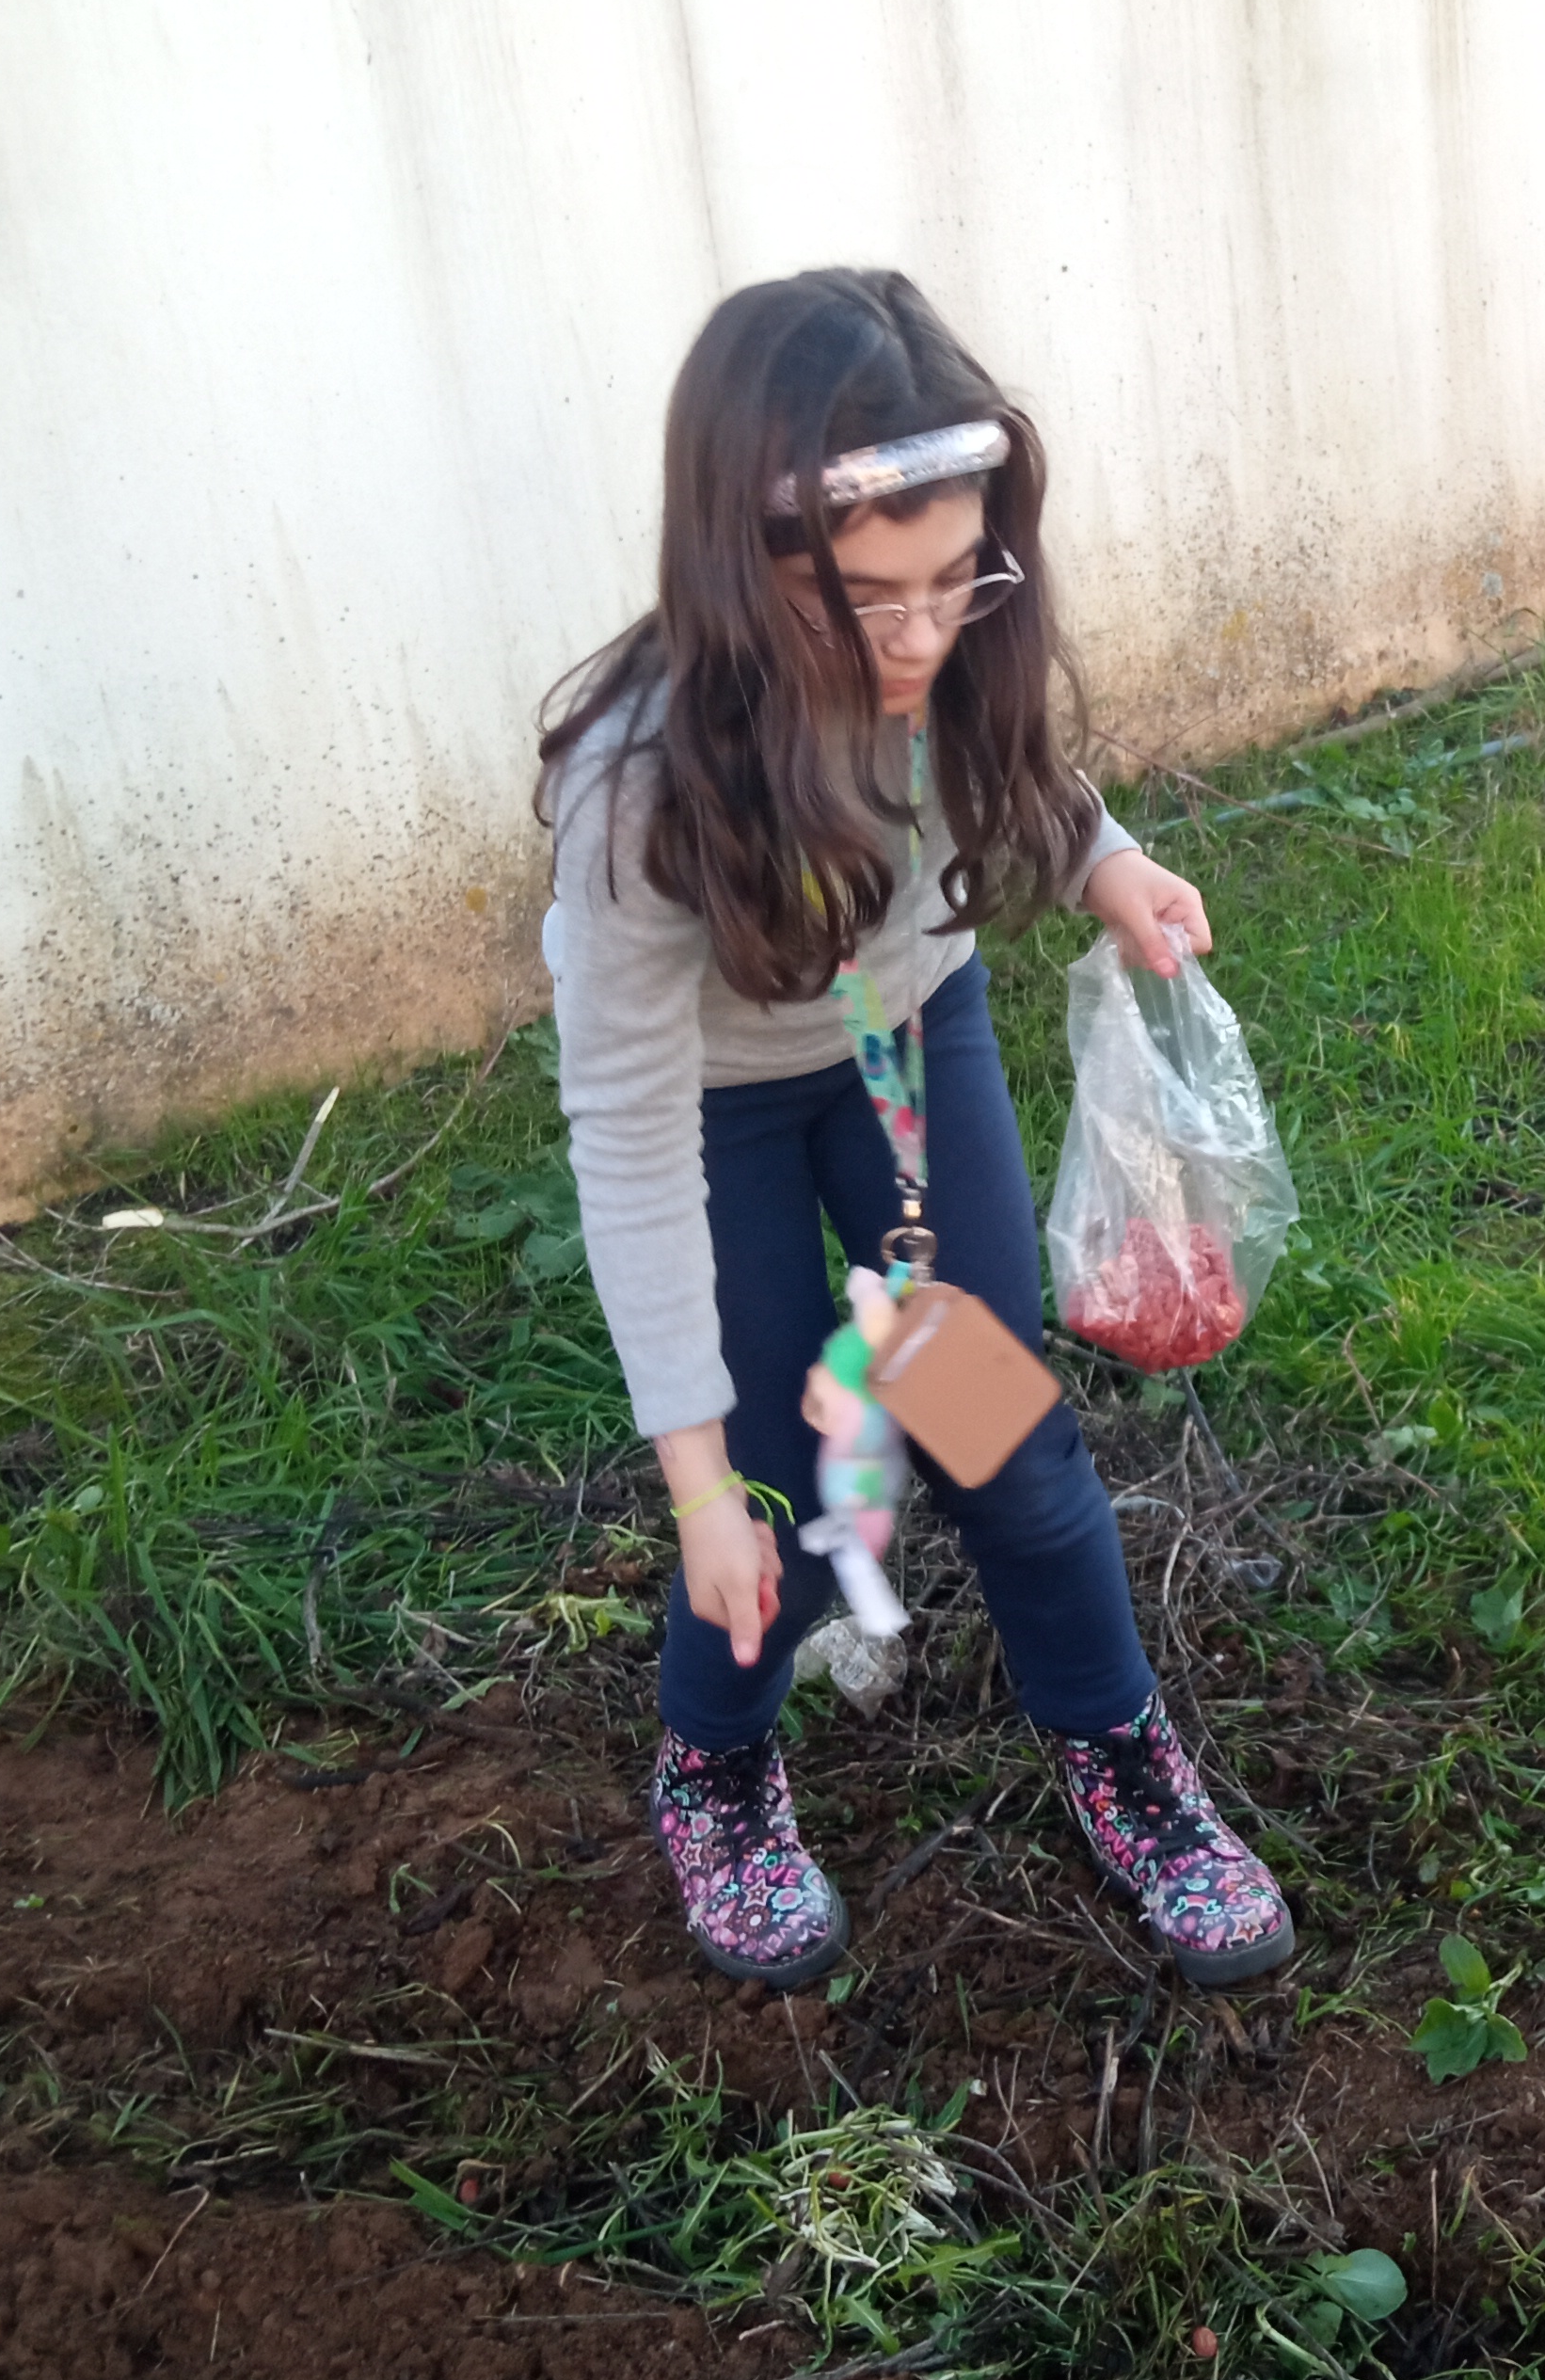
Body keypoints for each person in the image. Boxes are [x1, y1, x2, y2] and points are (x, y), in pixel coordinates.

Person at [536, 267, 1295, 1994]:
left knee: (989, 1420)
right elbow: (630, 1133)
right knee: (779, 1477)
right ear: (741, 562)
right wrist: (693, 1485)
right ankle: (717, 1773)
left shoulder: (949, 646)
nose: (920, 641)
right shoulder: (637, 786)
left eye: (957, 581)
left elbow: (1015, 779)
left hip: (900, 1037)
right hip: (718, 1115)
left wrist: (1100, 863)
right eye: (866, 598)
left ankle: (1127, 1766)